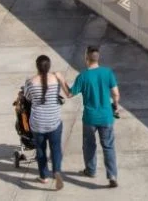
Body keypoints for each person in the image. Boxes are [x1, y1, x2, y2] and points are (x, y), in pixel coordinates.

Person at [69, 47, 120, 188]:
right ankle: (112, 175)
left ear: (86, 58)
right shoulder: (107, 73)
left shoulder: (83, 76)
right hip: (106, 117)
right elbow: (116, 93)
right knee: (108, 146)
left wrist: (61, 81)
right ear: (98, 57)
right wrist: (115, 106)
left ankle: (91, 170)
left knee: (89, 145)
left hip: (90, 118)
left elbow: (69, 94)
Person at [24, 55, 70, 189]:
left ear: (36, 66)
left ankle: (43, 176)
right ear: (49, 66)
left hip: (38, 123)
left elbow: (28, 98)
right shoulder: (56, 79)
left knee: (40, 150)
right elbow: (68, 93)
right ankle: (56, 171)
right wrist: (61, 78)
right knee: (55, 148)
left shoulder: (30, 81)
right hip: (54, 121)